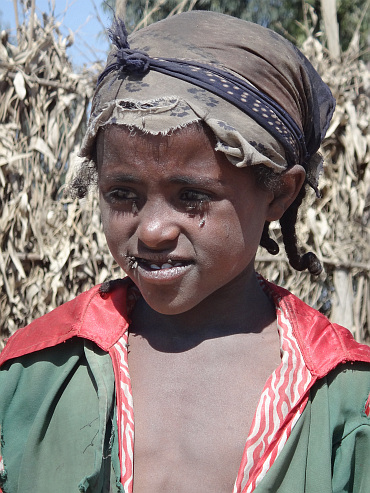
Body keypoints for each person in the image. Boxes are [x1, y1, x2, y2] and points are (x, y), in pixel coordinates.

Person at [0, 10, 369, 493]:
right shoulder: (35, 374)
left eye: (191, 196)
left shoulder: (344, 398)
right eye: (122, 195)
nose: (152, 231)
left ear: (280, 193)